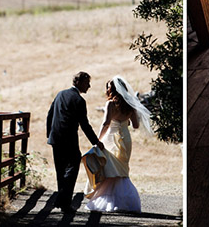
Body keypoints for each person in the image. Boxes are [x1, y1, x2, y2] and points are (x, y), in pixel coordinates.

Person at [82, 76, 154, 212]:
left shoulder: (110, 104)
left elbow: (105, 124)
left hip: (110, 137)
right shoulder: (130, 104)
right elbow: (136, 125)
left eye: (109, 86)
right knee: (121, 170)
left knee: (110, 169)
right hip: (125, 138)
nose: (108, 89)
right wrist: (126, 119)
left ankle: (108, 201)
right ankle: (125, 202)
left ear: (114, 89)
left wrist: (97, 141)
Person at [46, 71, 104, 214]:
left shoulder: (60, 94)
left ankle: (64, 204)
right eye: (87, 83)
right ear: (79, 82)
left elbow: (49, 115)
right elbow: (85, 125)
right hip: (68, 139)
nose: (89, 86)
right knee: (73, 166)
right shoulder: (79, 101)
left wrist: (50, 134)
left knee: (61, 170)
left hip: (55, 138)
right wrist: (96, 142)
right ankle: (63, 200)